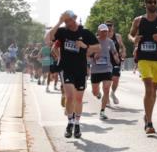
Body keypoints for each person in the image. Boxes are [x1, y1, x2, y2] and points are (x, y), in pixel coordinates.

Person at [45, 11, 100, 139]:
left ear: (75, 18)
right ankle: (70, 123)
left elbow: (97, 47)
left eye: (70, 20)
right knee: (69, 97)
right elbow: (48, 39)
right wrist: (59, 22)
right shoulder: (62, 32)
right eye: (66, 21)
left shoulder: (85, 33)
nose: (68, 23)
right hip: (66, 69)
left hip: (80, 69)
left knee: (78, 99)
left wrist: (84, 46)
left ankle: (77, 123)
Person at [128, 0, 157, 135]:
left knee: (153, 91)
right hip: (144, 58)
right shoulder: (138, 20)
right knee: (148, 89)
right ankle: (149, 123)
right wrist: (133, 39)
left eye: (155, 2)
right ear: (145, 4)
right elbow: (130, 35)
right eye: (150, 2)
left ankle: (147, 114)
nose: (152, 4)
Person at [89, 24, 120, 120]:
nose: (105, 33)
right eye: (102, 31)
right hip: (95, 70)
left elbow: (114, 51)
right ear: (98, 31)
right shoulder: (93, 41)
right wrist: (94, 55)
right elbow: (87, 53)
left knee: (106, 88)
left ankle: (102, 112)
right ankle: (98, 94)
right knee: (95, 92)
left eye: (106, 31)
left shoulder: (110, 42)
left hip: (107, 68)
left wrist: (116, 58)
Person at [106, 21, 125, 105]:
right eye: (107, 25)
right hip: (105, 61)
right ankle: (106, 98)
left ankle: (112, 93)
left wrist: (123, 52)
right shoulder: (102, 36)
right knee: (107, 81)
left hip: (116, 60)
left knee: (116, 79)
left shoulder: (117, 36)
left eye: (110, 25)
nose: (109, 27)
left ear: (113, 27)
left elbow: (122, 46)